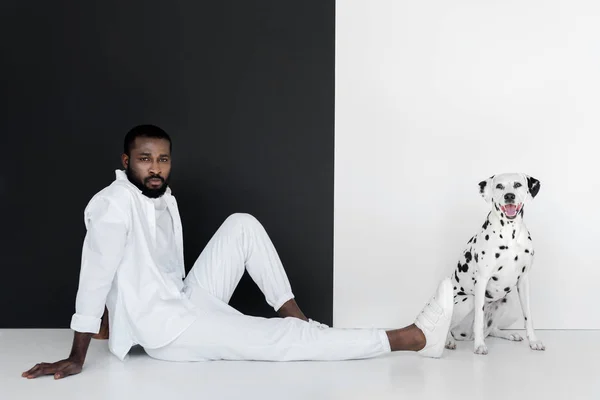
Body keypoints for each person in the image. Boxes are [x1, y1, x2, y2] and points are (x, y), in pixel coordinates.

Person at [22, 125, 454, 380]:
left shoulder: (162, 198)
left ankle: (297, 318)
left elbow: (159, 271)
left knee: (241, 225)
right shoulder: (114, 204)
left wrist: (117, 321)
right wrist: (78, 354)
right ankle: (409, 339)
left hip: (186, 299)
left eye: (164, 160)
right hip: (171, 331)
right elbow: (94, 276)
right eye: (145, 160)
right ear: (126, 160)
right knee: (275, 343)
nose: (156, 169)